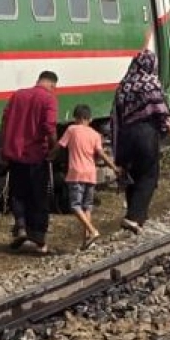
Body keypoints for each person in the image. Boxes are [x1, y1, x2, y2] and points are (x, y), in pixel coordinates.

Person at [111, 50, 170, 233]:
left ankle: (137, 217)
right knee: (149, 175)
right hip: (145, 134)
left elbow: (116, 117)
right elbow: (162, 113)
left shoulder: (123, 85)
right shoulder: (150, 83)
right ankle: (133, 217)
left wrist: (117, 147)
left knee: (131, 175)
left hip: (125, 136)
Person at [0, 70, 60, 254]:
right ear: (52, 85)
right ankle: (38, 239)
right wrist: (55, 147)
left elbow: (4, 123)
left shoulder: (17, 95)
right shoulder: (48, 99)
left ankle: (21, 227)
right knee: (38, 197)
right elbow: (49, 126)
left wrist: (3, 149)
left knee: (18, 194)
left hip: (15, 155)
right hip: (36, 156)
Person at [58, 104, 118, 251]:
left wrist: (50, 155)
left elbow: (60, 146)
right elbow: (101, 154)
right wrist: (114, 167)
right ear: (90, 119)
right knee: (87, 207)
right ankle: (86, 241)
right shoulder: (95, 135)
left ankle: (92, 231)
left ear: (76, 118)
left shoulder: (71, 130)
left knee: (75, 206)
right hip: (91, 174)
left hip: (76, 174)